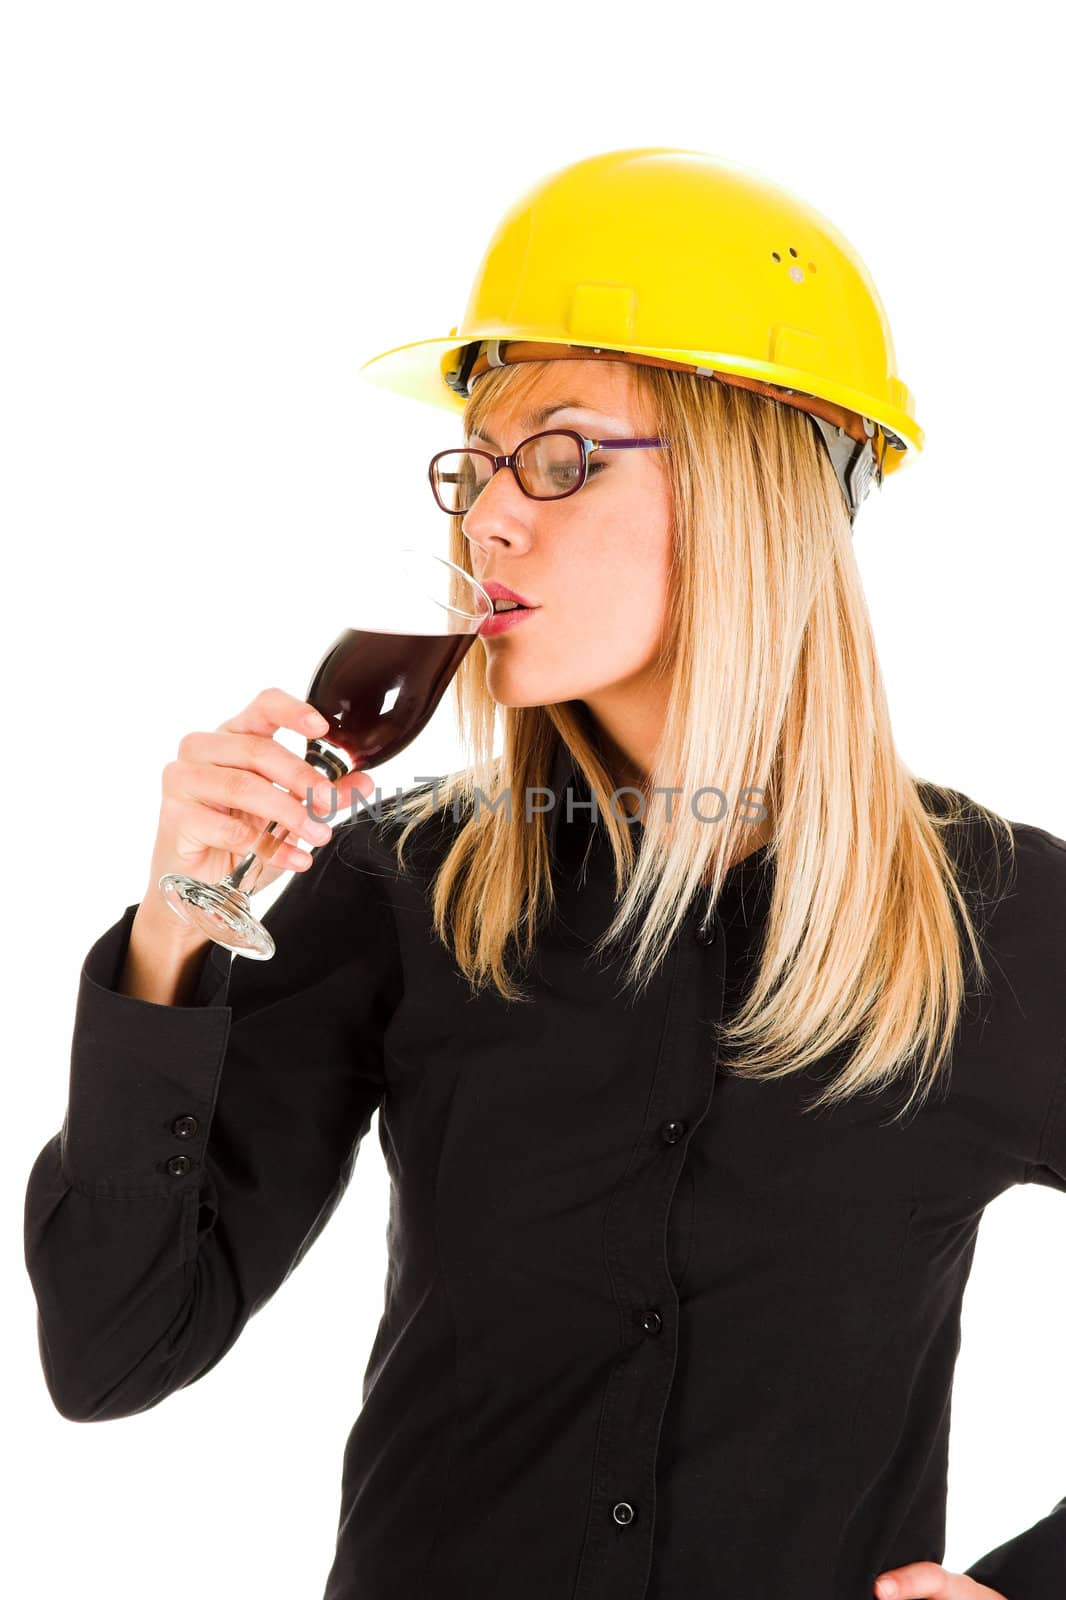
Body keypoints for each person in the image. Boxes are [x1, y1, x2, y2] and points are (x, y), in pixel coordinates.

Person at [23, 148, 1066, 1600]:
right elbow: (116, 1349)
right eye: (477, 462)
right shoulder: (400, 891)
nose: (487, 516)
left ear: (752, 486)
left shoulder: (1003, 924)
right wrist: (173, 934)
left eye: (560, 456)